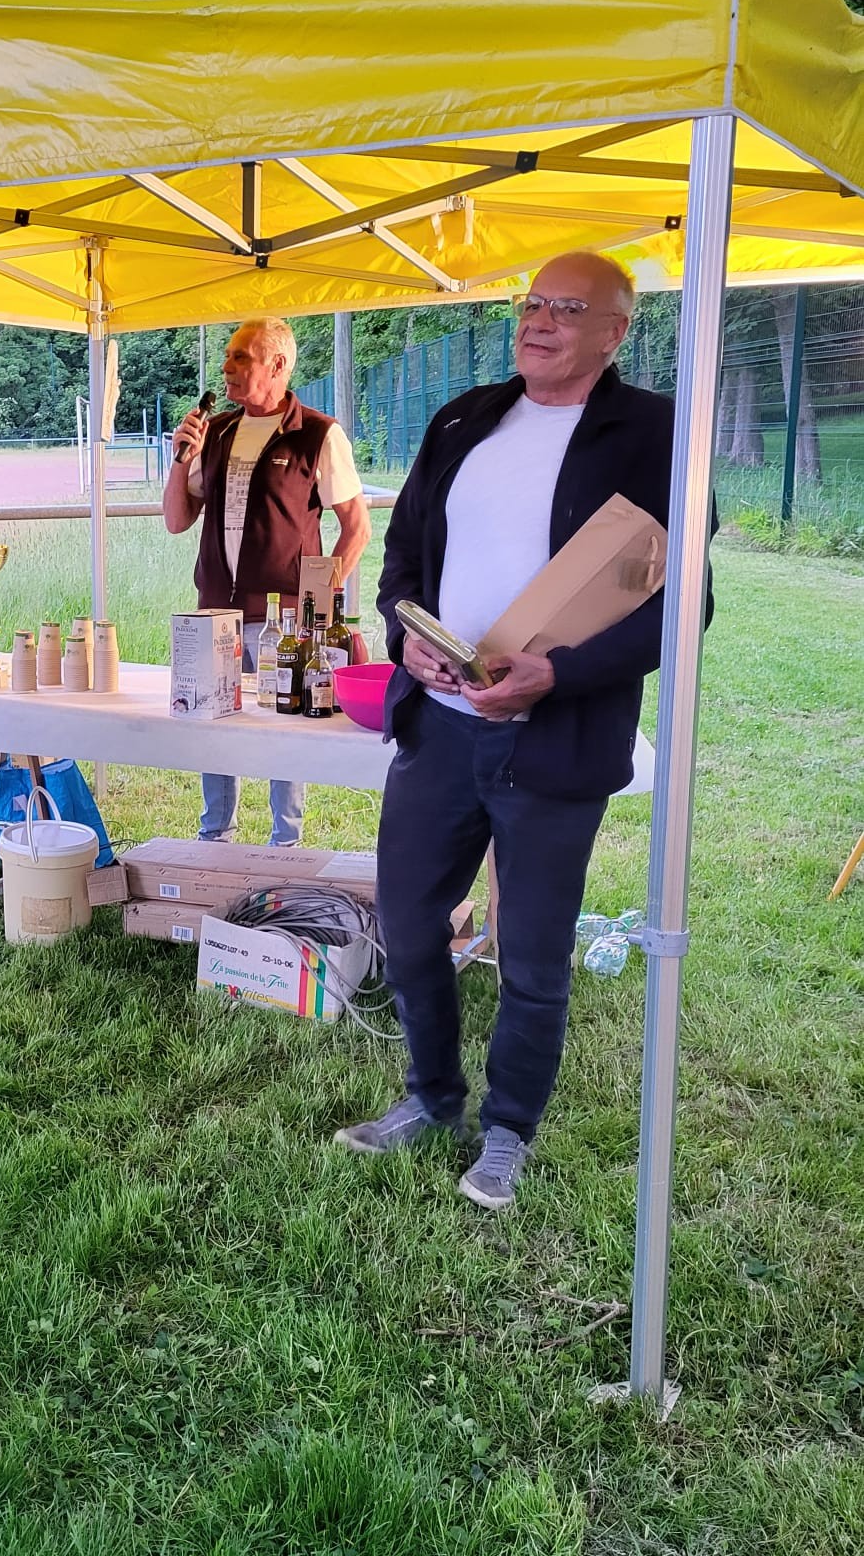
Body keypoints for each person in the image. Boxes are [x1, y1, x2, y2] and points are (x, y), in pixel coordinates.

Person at [335, 252, 713, 1211]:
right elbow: (403, 556)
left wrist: (560, 673)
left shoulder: (657, 433)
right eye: (532, 303)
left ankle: (507, 1130)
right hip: (441, 728)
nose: (538, 321)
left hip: (556, 737)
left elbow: (685, 605)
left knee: (533, 953)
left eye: (566, 309)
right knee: (408, 927)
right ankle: (432, 1096)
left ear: (615, 332)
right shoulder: (466, 418)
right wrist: (408, 639)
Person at [162, 316, 369, 845]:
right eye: (228, 356)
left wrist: (318, 603)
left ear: (277, 365)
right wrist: (179, 458)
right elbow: (177, 520)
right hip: (213, 612)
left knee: (285, 729)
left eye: (241, 357)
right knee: (212, 728)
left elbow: (357, 528)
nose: (227, 367)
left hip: (283, 618)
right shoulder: (217, 431)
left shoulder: (318, 434)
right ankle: (216, 838)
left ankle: (286, 844)